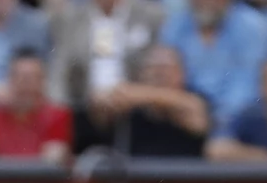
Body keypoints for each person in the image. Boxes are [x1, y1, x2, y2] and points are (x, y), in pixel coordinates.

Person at [78, 43, 212, 156]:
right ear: (141, 74)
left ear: (183, 73)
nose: (159, 73)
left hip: (184, 182)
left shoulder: (193, 101)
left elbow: (196, 115)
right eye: (152, 67)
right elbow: (99, 108)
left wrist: (137, 93)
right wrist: (109, 97)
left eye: (166, 66)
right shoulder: (130, 109)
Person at [159, 0, 267, 123]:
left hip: (232, 117)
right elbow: (166, 68)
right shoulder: (177, 23)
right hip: (183, 110)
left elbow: (247, 84)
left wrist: (215, 118)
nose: (205, 3)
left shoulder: (251, 26)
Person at [45, 0, 167, 108]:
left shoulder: (151, 16)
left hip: (136, 104)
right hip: (84, 105)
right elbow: (60, 69)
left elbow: (160, 62)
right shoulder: (70, 20)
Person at [0, 50, 73, 160]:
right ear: (9, 80)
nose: (26, 85)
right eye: (20, 77)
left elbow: (55, 154)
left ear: (43, 81)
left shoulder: (58, 114)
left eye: (33, 78)